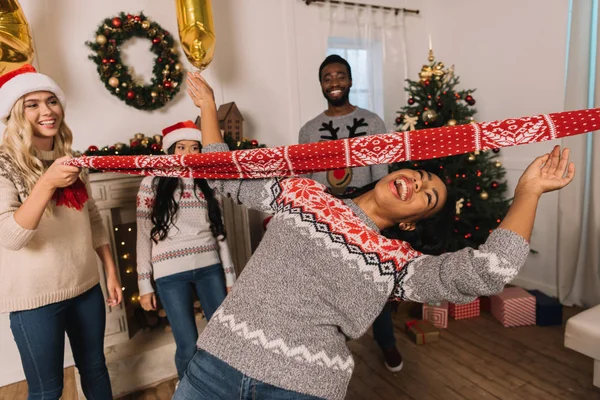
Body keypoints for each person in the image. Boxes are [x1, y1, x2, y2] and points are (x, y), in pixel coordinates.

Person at [175, 71, 574, 400]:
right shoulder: (303, 193)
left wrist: (529, 192)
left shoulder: (396, 263)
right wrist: (208, 106)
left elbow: (487, 272)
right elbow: (220, 173)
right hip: (216, 364)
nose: (416, 185)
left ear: (412, 222)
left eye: (427, 196)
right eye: (418, 175)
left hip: (300, 387)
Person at [0, 64, 122, 400]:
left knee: (96, 368)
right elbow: (10, 236)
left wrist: (110, 269)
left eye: (51, 101)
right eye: (33, 104)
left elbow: (92, 217)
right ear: (16, 112)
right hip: (35, 300)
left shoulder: (71, 158)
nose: (46, 111)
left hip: (85, 287)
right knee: (48, 389)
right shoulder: (3, 163)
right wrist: (47, 183)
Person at [299, 54, 403, 372]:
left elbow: (382, 175)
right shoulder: (309, 130)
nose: (334, 83)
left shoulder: (372, 122)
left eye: (340, 76)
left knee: (374, 280)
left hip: (366, 212)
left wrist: (378, 215)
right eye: (328, 77)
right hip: (326, 216)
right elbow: (305, 181)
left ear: (351, 81)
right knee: (329, 287)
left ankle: (386, 341)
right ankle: (328, 351)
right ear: (321, 84)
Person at [136, 120, 236, 381]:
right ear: (170, 150)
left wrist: (229, 277)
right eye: (181, 147)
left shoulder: (208, 182)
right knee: (187, 344)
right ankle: (189, 390)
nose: (189, 154)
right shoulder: (152, 183)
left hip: (209, 266)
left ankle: (222, 387)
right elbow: (143, 236)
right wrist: (144, 284)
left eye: (195, 148)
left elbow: (220, 232)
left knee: (221, 337)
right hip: (169, 272)